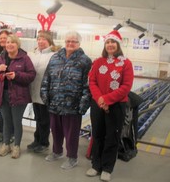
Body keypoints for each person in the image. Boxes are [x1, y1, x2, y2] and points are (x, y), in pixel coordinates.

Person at [86, 30, 134, 181]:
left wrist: (107, 99)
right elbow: (92, 81)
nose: (110, 45)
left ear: (118, 45)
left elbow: (126, 86)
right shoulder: (98, 62)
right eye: (108, 42)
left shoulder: (126, 63)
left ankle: (107, 167)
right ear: (105, 45)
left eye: (113, 42)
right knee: (98, 134)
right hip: (98, 104)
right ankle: (96, 165)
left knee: (112, 137)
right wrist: (100, 99)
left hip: (116, 105)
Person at [40, 31, 92, 170]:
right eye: (68, 41)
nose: (70, 44)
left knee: (71, 134)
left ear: (79, 44)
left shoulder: (85, 61)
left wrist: (83, 104)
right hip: (54, 102)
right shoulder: (55, 57)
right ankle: (57, 152)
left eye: (73, 41)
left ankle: (72, 158)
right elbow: (47, 78)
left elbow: (88, 85)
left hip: (73, 105)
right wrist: (45, 95)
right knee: (55, 130)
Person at [0, 34, 36, 159]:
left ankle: (16, 146)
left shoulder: (24, 58)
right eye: (8, 42)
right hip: (2, 94)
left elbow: (31, 75)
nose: (10, 44)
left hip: (19, 95)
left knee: (16, 121)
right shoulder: (1, 57)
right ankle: (6, 144)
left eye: (13, 42)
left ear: (18, 45)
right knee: (6, 121)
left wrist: (16, 76)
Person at [27, 30, 60, 153]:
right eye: (39, 39)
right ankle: (37, 139)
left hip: (47, 92)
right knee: (38, 117)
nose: (40, 41)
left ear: (49, 41)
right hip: (34, 90)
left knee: (45, 120)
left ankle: (44, 142)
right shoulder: (33, 54)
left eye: (43, 39)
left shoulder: (54, 55)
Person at [0, 29, 14, 143]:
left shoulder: (17, 53)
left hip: (12, 89)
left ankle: (11, 134)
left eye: (5, 38)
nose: (3, 40)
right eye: (1, 38)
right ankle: (2, 133)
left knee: (11, 113)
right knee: (1, 111)